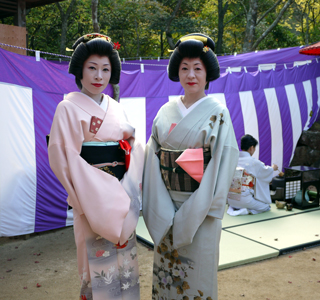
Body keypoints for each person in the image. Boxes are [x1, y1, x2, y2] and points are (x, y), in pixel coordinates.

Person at [142, 33, 239, 299]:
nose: (191, 75)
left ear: (208, 73)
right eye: (184, 68)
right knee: (167, 275)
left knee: (198, 275)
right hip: (167, 203)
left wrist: (198, 207)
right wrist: (161, 207)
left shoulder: (218, 113)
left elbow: (223, 160)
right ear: (177, 73)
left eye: (198, 68)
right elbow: (153, 158)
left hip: (202, 207)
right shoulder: (165, 112)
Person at [48, 33, 143, 300]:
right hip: (89, 201)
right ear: (80, 70)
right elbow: (61, 156)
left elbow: (132, 145)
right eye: (92, 68)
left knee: (124, 266)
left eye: (105, 69)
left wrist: (127, 180)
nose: (98, 76)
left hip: (120, 195)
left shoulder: (115, 107)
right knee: (97, 270)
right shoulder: (67, 108)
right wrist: (83, 200)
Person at [227, 134, 278, 216]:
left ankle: (234, 208)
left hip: (230, 199)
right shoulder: (253, 162)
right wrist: (273, 168)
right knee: (266, 207)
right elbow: (265, 171)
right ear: (251, 148)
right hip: (243, 199)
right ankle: (246, 211)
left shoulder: (234, 159)